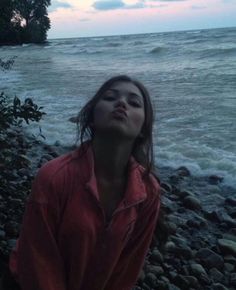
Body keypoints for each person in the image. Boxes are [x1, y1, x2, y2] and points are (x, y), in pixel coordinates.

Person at [8, 75, 161, 290]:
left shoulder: (148, 191)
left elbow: (127, 268)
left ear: (144, 128)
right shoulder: (54, 177)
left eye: (134, 103)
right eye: (110, 98)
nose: (121, 103)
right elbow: (39, 263)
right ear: (91, 117)